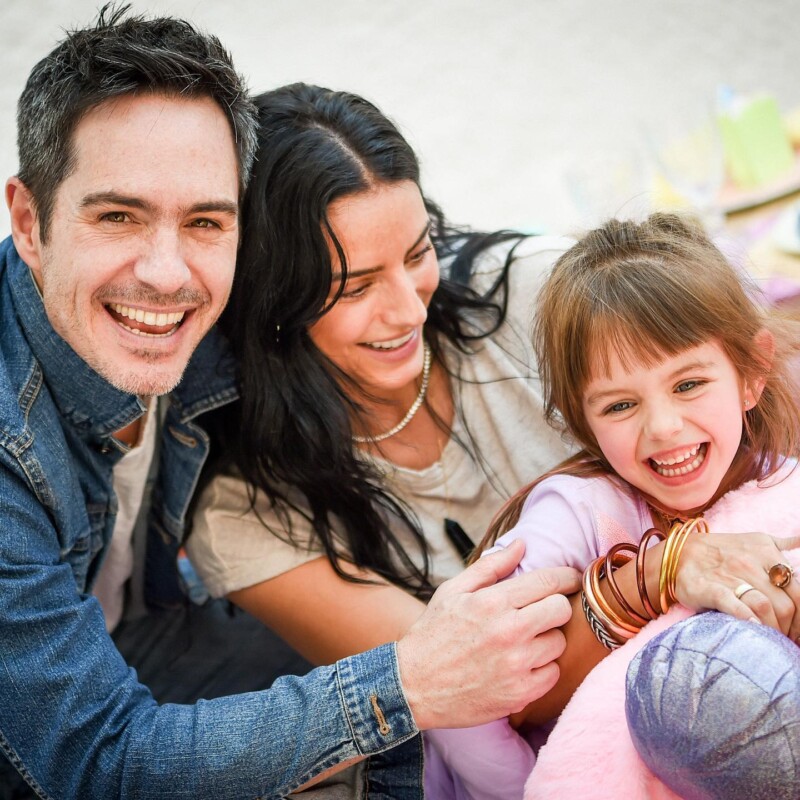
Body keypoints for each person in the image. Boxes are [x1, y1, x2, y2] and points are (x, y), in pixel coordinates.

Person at [0, 8, 581, 799]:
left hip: (152, 637)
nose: (168, 273)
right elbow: (97, 761)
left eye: (205, 221)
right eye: (118, 216)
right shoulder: (13, 438)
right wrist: (406, 681)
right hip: (48, 739)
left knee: (397, 743)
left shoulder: (231, 313)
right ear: (30, 221)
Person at [424, 213, 800, 798]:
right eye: (620, 406)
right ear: (582, 420)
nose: (665, 428)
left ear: (751, 373)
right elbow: (460, 706)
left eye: (688, 384)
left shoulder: (782, 488)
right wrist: (529, 785)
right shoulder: (574, 513)